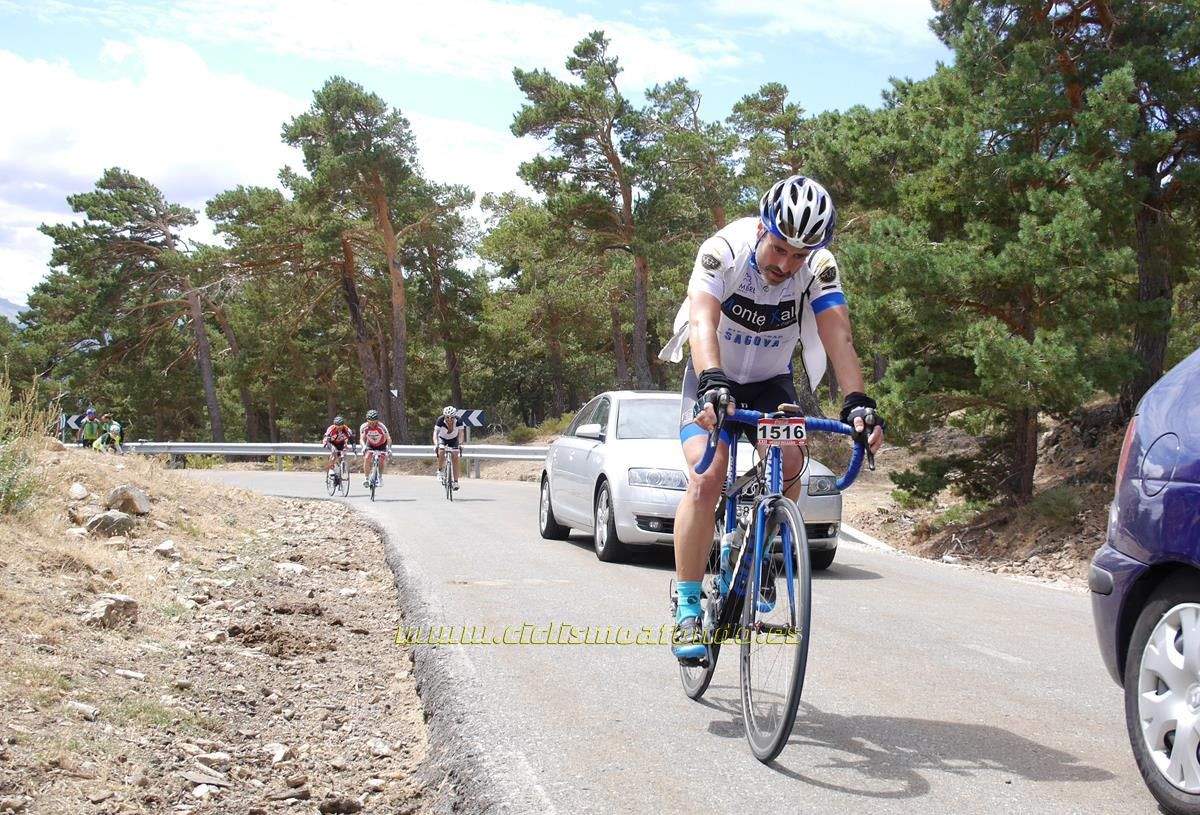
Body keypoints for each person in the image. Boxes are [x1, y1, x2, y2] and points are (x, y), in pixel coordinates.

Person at [658, 174, 885, 663]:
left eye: (798, 256)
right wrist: (714, 380)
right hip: (712, 374)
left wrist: (858, 402)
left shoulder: (818, 266)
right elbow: (702, 321)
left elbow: (838, 337)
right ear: (762, 228)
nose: (787, 264)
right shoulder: (724, 250)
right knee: (707, 479)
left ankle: (756, 549)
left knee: (792, 463)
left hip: (770, 381)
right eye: (780, 248)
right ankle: (688, 605)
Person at [433, 406, 465, 490]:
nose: (450, 419)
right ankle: (440, 471)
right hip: (442, 438)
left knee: (455, 457)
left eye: (452, 417)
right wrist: (436, 444)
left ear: (455, 417)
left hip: (453, 439)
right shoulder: (440, 420)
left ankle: (455, 482)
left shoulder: (459, 420)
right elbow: (435, 433)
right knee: (441, 450)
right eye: (447, 417)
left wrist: (461, 443)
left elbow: (461, 433)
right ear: (444, 416)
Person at [359, 409, 392, 487]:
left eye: (374, 422)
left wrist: (389, 448)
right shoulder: (364, 427)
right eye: (370, 422)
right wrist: (363, 446)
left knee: (381, 460)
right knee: (367, 458)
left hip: (382, 445)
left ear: (377, 420)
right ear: (367, 420)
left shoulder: (381, 427)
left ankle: (380, 477)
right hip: (370, 444)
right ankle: (366, 478)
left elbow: (389, 438)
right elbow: (361, 438)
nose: (372, 424)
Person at [322, 415, 354, 481]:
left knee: (342, 454)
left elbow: (352, 439)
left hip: (341, 443)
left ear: (343, 425)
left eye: (341, 426)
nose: (339, 428)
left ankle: (341, 468)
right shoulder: (331, 428)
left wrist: (354, 447)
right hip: (331, 442)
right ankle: (331, 469)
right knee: (334, 452)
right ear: (334, 425)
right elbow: (326, 437)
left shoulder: (346, 429)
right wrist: (326, 442)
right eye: (337, 426)